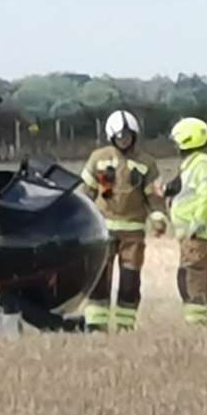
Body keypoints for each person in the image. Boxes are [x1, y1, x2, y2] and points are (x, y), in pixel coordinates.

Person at [79, 110, 168, 332]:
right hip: (101, 232)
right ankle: (96, 326)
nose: (124, 141)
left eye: (128, 136)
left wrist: (158, 218)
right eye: (120, 137)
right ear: (111, 137)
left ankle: (125, 326)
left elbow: (154, 196)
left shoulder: (146, 163)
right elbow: (85, 192)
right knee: (99, 280)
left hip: (133, 233)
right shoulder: (98, 158)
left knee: (130, 282)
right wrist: (78, 218)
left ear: (135, 136)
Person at [165, 116, 207, 327]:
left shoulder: (201, 164)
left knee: (190, 276)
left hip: (197, 232)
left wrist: (197, 223)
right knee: (200, 276)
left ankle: (198, 324)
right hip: (193, 233)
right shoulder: (194, 164)